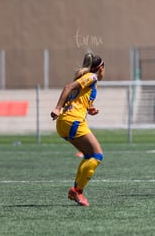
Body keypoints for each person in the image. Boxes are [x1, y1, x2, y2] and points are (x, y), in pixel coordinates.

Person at [50, 52, 105, 206]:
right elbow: (68, 87)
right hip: (73, 121)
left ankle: (76, 190)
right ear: (100, 68)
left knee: (89, 155)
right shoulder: (91, 77)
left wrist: (90, 108)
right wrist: (57, 107)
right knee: (97, 155)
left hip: (64, 123)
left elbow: (77, 98)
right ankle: (77, 190)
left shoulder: (87, 79)